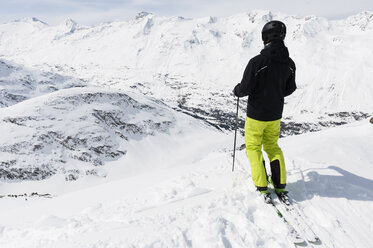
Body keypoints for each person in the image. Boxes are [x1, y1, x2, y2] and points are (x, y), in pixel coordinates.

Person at [233, 20, 296, 203]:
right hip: (275, 115)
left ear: (264, 38)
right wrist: (276, 92)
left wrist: (237, 90)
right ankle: (280, 184)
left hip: (256, 115)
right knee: (272, 147)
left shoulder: (257, 62)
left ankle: (262, 186)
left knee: (253, 147)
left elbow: (244, 88)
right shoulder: (290, 63)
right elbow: (290, 89)